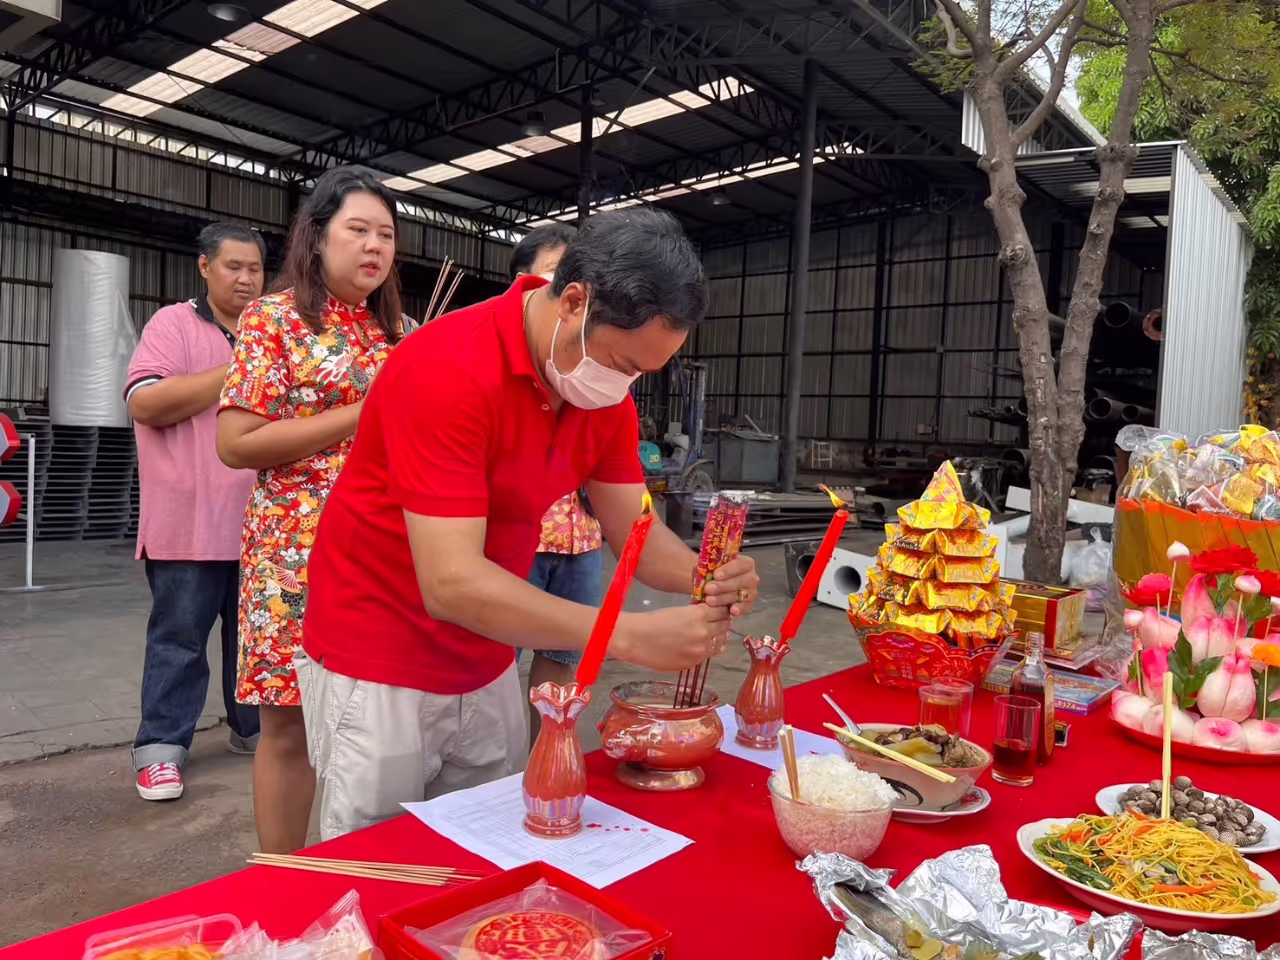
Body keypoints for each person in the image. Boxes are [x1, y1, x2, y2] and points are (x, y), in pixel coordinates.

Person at [298, 208, 761, 841]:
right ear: (573, 302)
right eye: (622, 362)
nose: (624, 384)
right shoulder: (448, 367)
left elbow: (640, 537)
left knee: (485, 845)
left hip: (489, 649)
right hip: (380, 654)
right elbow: (450, 583)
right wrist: (622, 635)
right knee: (380, 860)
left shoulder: (600, 392)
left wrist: (707, 575)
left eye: (640, 373)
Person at [216, 166, 403, 853]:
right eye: (358, 230)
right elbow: (237, 443)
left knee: (382, 722)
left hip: (385, 552)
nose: (374, 246)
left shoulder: (399, 332)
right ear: (317, 237)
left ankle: (368, 868)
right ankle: (282, 879)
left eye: (386, 234)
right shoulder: (274, 319)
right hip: (294, 554)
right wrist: (363, 410)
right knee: (289, 726)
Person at [125, 222, 265, 802]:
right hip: (189, 521)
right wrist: (241, 366)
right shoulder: (173, 325)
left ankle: (254, 731)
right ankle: (160, 748)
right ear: (205, 267)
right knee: (179, 640)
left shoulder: (273, 331)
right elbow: (145, 402)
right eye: (234, 267)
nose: (246, 279)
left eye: (255, 268)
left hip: (261, 523)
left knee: (256, 640)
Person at [507, 224, 604, 747]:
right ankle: (501, 770)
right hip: (522, 537)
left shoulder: (592, 369)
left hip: (581, 537)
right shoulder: (500, 365)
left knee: (561, 659)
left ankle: (545, 759)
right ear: (524, 283)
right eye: (557, 273)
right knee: (499, 662)